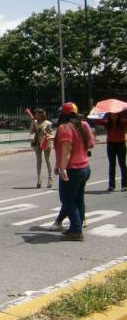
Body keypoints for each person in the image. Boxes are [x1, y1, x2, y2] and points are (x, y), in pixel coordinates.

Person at [49, 103, 94, 240]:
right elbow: (90, 144)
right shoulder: (83, 125)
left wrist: (62, 168)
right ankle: (77, 225)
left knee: (67, 200)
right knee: (78, 199)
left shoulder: (65, 128)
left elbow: (66, 150)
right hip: (84, 167)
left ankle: (76, 230)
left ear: (63, 114)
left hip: (72, 169)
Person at [95, 112, 126, 191]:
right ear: (109, 115)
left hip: (121, 144)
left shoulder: (122, 122)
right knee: (112, 164)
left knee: (122, 164)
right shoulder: (107, 123)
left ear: (118, 115)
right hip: (111, 144)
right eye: (112, 114)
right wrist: (96, 112)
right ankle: (111, 185)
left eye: (115, 114)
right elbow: (97, 121)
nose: (114, 116)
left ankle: (124, 185)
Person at [30, 108, 53, 188]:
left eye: (36, 114)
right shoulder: (35, 122)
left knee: (48, 160)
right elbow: (31, 132)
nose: (35, 115)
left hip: (45, 143)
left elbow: (50, 134)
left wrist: (45, 132)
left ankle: (50, 179)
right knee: (39, 161)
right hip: (37, 143)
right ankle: (39, 180)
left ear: (40, 114)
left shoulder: (48, 123)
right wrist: (32, 123)